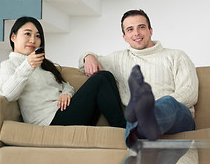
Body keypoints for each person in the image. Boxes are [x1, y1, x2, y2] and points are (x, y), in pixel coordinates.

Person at [78, 9, 199, 148]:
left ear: (150, 31)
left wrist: (154, 105)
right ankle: (141, 124)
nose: (136, 33)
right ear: (124, 37)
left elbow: (190, 92)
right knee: (138, 114)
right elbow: (84, 65)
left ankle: (144, 114)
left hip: (178, 116)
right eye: (130, 29)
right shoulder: (118, 59)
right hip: (141, 119)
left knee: (166, 102)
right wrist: (88, 57)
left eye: (141, 27)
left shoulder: (176, 56)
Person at [0, 16, 126, 128]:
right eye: (27, 34)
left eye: (37, 36)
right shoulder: (9, 65)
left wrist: (66, 94)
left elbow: (66, 86)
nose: (33, 40)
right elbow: (8, 94)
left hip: (65, 113)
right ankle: (124, 130)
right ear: (13, 37)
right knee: (99, 80)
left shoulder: (44, 65)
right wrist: (28, 66)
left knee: (106, 75)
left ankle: (123, 130)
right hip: (49, 121)